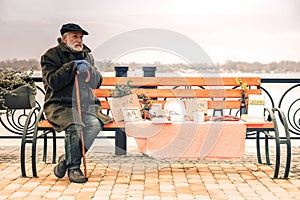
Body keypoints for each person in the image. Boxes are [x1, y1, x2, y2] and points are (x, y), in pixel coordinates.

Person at [40, 23, 112, 183]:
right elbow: (52, 82)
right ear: (64, 38)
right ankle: (73, 168)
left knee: (94, 124)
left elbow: (96, 82)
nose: (79, 40)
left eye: (81, 37)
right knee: (74, 125)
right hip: (60, 105)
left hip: (87, 105)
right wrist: (71, 67)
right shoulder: (50, 56)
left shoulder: (87, 55)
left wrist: (89, 70)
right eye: (75, 37)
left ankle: (66, 159)